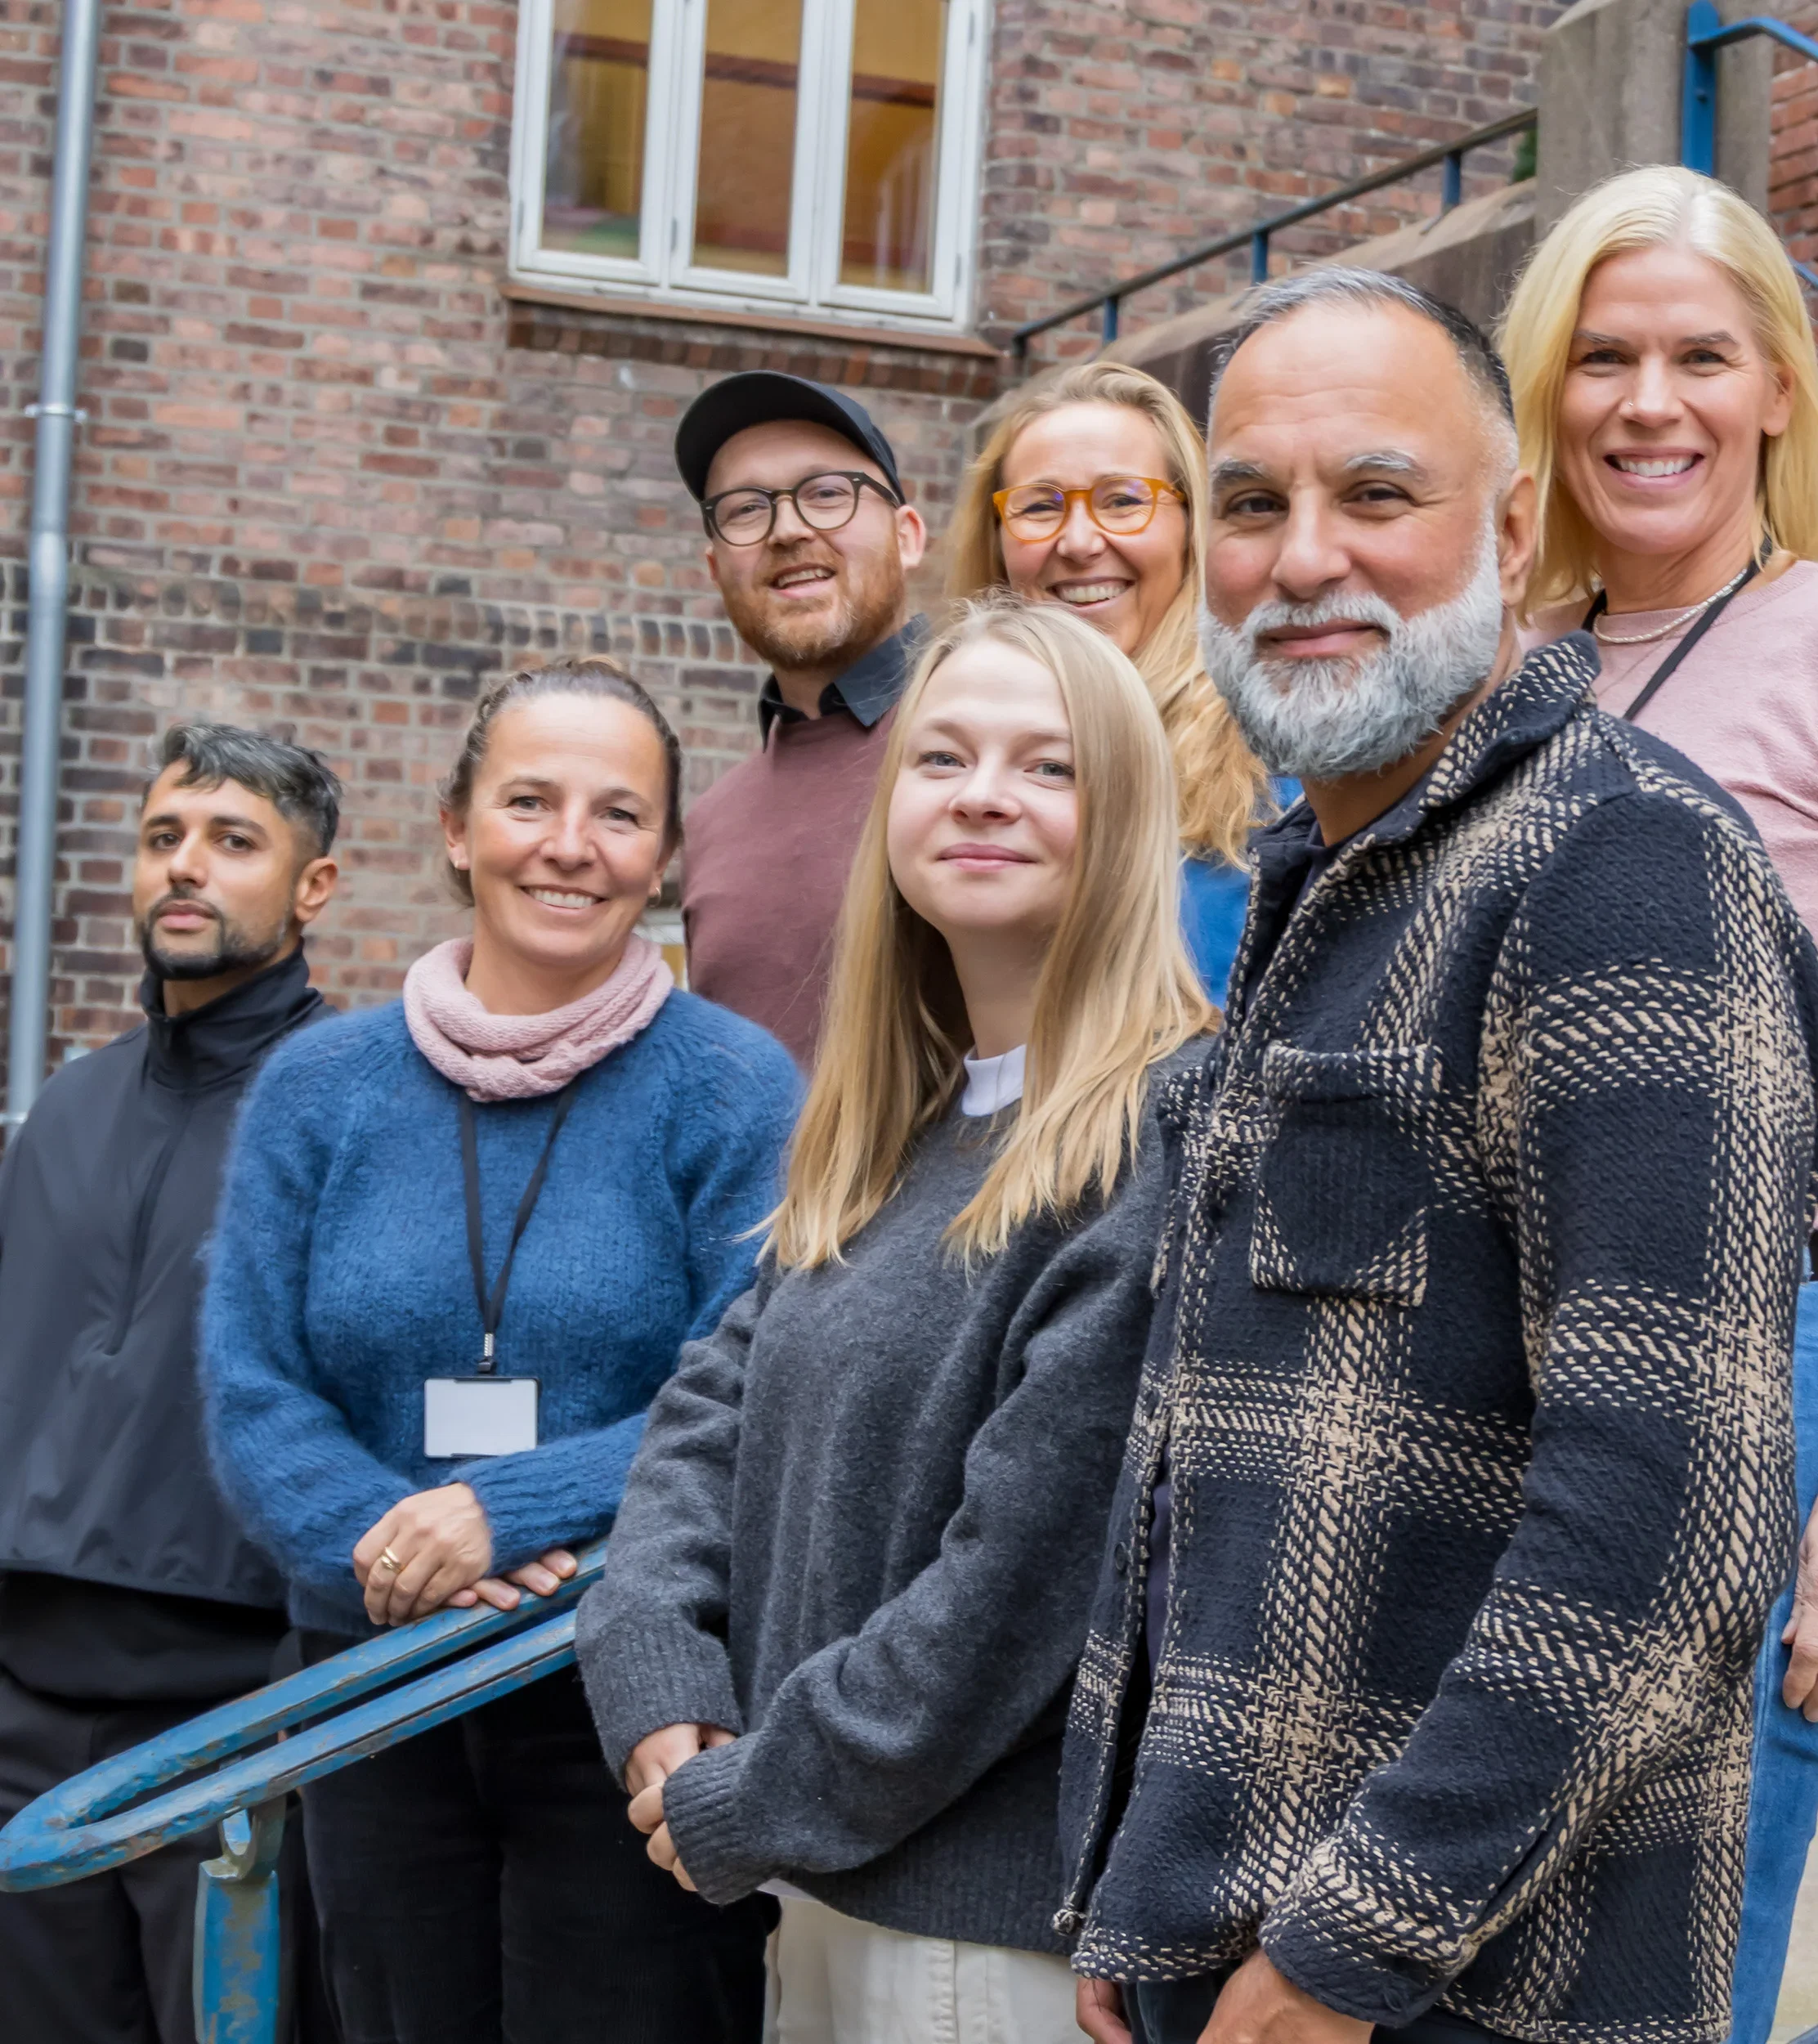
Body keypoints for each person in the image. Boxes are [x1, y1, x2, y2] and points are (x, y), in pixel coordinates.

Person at [1059, 268, 1818, 2044]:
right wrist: (1139, 1866)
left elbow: (1673, 1517)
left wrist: (1355, 1938)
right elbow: (1217, 1469)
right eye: (1251, 502)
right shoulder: (1310, 880)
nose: (1301, 555)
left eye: (1374, 493)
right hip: (1238, 1942)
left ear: (1503, 523)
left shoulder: (1618, 863)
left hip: (1459, 1989)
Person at [1498, 165, 1818, 2042]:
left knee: (1667, 1956)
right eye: (1604, 356)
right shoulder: (1504, 667)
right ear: (1546, 393)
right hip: (1473, 1348)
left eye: (1700, 357)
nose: (1650, 402)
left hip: (1742, 1357)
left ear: (1782, 391)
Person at [575, 597, 1213, 2044]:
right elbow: (703, 1422)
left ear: (1123, 816)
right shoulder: (890, 1129)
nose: (984, 794)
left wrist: (754, 1793)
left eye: (1048, 767)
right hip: (828, 1898)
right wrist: (659, 1671)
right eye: (943, 758)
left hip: (984, 1947)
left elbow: (1017, 1589)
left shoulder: (1162, 1129)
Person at [200, 657, 803, 2044]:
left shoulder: (734, 1087)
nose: (570, 846)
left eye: (619, 813)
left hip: (620, 1685)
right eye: (530, 801)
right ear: (458, 827)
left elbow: (745, 1381)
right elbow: (251, 1383)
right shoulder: (318, 1088)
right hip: (371, 1684)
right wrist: (393, 1541)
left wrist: (508, 1509)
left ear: (661, 859)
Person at [0, 724, 340, 2044]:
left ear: (314, 887)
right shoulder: (65, 1111)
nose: (185, 869)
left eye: (232, 841)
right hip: (23, 1705)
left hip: (233, 1717)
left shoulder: (344, 1108)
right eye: (162, 839)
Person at [947, 360, 1294, 997]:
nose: (1079, 541)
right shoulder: (949, 773)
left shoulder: (1277, 771)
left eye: (1123, 501)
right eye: (1039, 506)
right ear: (995, 539)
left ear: (1194, 526)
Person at [675, 370, 930, 1067]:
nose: (788, 529)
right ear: (715, 566)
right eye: (746, 510)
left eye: (826, 494)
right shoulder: (712, 821)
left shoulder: (998, 739)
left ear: (908, 536)